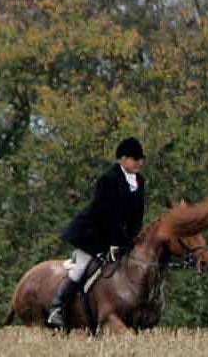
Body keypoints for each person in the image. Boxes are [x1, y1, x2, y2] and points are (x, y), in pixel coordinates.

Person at [49, 139, 146, 328]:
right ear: (123, 159)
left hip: (120, 238)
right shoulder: (107, 180)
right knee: (81, 268)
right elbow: (105, 214)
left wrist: (131, 240)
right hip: (92, 234)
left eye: (141, 159)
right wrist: (115, 242)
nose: (140, 163)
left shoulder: (140, 181)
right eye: (136, 159)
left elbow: (137, 215)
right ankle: (57, 308)